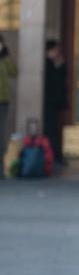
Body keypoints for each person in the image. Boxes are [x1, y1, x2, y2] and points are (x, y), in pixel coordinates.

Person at [44, 40, 68, 166]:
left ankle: (56, 156)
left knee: (56, 130)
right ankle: (53, 157)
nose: (57, 53)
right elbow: (53, 83)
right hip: (49, 103)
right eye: (55, 50)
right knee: (51, 131)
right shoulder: (46, 65)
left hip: (56, 103)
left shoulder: (57, 64)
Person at [0, 34, 17, 179]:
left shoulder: (4, 59)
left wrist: (6, 55)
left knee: (1, 137)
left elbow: (14, 72)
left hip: (3, 101)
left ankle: (1, 169)